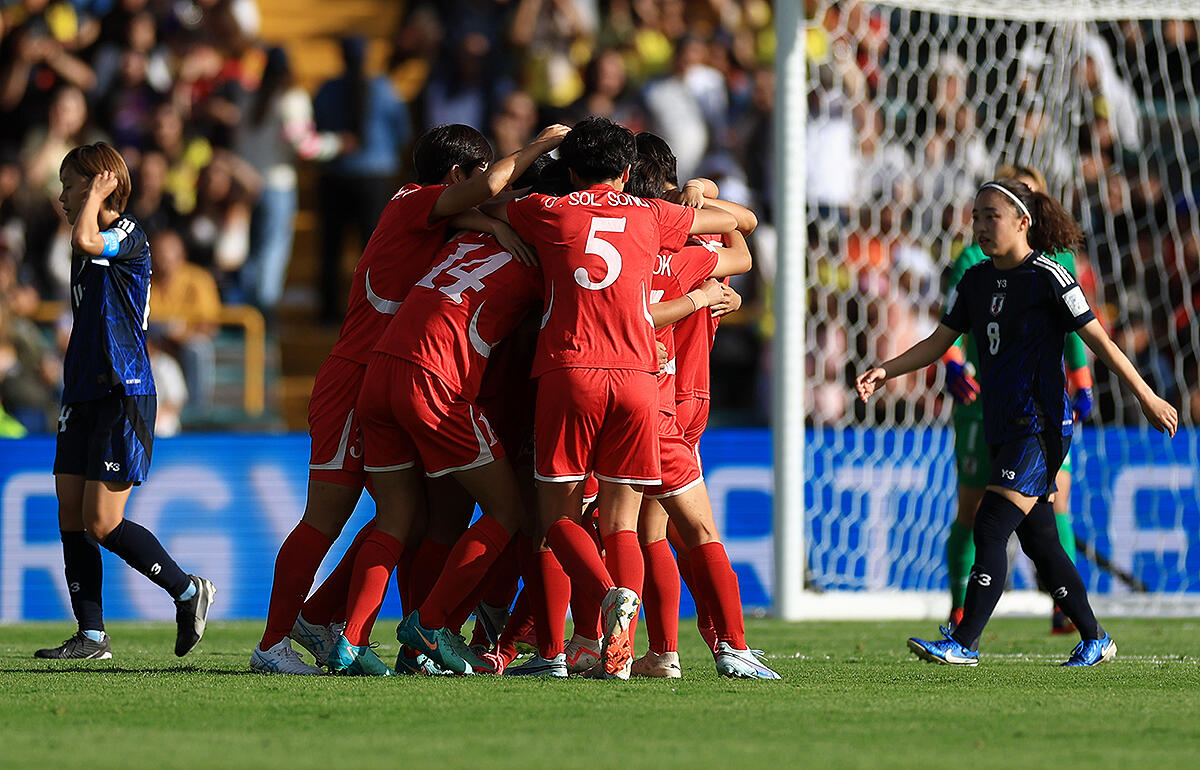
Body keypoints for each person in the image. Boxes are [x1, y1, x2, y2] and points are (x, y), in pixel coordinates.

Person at [249, 123, 565, 676]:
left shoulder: (429, 216)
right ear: (455, 178)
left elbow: (486, 205)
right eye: (476, 186)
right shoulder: (417, 203)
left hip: (384, 374)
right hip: (361, 376)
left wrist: (483, 219)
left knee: (403, 516)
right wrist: (537, 146)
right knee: (326, 517)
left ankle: (332, 627)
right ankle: (274, 643)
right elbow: (491, 190)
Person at [855, 178, 1178, 666]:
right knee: (1040, 540)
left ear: (1023, 222)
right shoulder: (976, 280)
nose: (982, 226)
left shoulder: (1050, 275)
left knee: (990, 524)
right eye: (977, 217)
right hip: (1002, 426)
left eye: (992, 216)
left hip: (1042, 426)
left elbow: (1099, 341)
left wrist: (1148, 396)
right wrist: (886, 369)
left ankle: (964, 641)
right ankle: (1094, 637)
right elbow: (940, 342)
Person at [493, 116, 739, 679]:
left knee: (556, 519)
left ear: (574, 169)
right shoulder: (653, 216)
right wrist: (699, 198)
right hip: (641, 382)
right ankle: (622, 651)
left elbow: (491, 198)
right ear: (627, 172)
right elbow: (736, 226)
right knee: (624, 523)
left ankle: (575, 632)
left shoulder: (550, 211)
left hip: (571, 369)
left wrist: (540, 148)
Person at [38, 142, 215, 661]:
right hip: (83, 392)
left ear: (101, 184)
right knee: (70, 511)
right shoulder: (88, 243)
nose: (64, 195)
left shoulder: (127, 234)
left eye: (71, 184)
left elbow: (88, 236)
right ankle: (91, 635)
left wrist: (93, 196)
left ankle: (188, 591)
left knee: (102, 522)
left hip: (123, 390)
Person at [940, 163, 1095, 634]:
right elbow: (949, 327)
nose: (987, 223)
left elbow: (1082, 328)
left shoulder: (1056, 265)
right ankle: (961, 607)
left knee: (1026, 514)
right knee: (1001, 519)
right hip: (985, 407)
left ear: (1028, 212)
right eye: (982, 214)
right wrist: (950, 363)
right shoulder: (972, 263)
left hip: (1040, 413)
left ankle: (974, 633)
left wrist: (1082, 378)